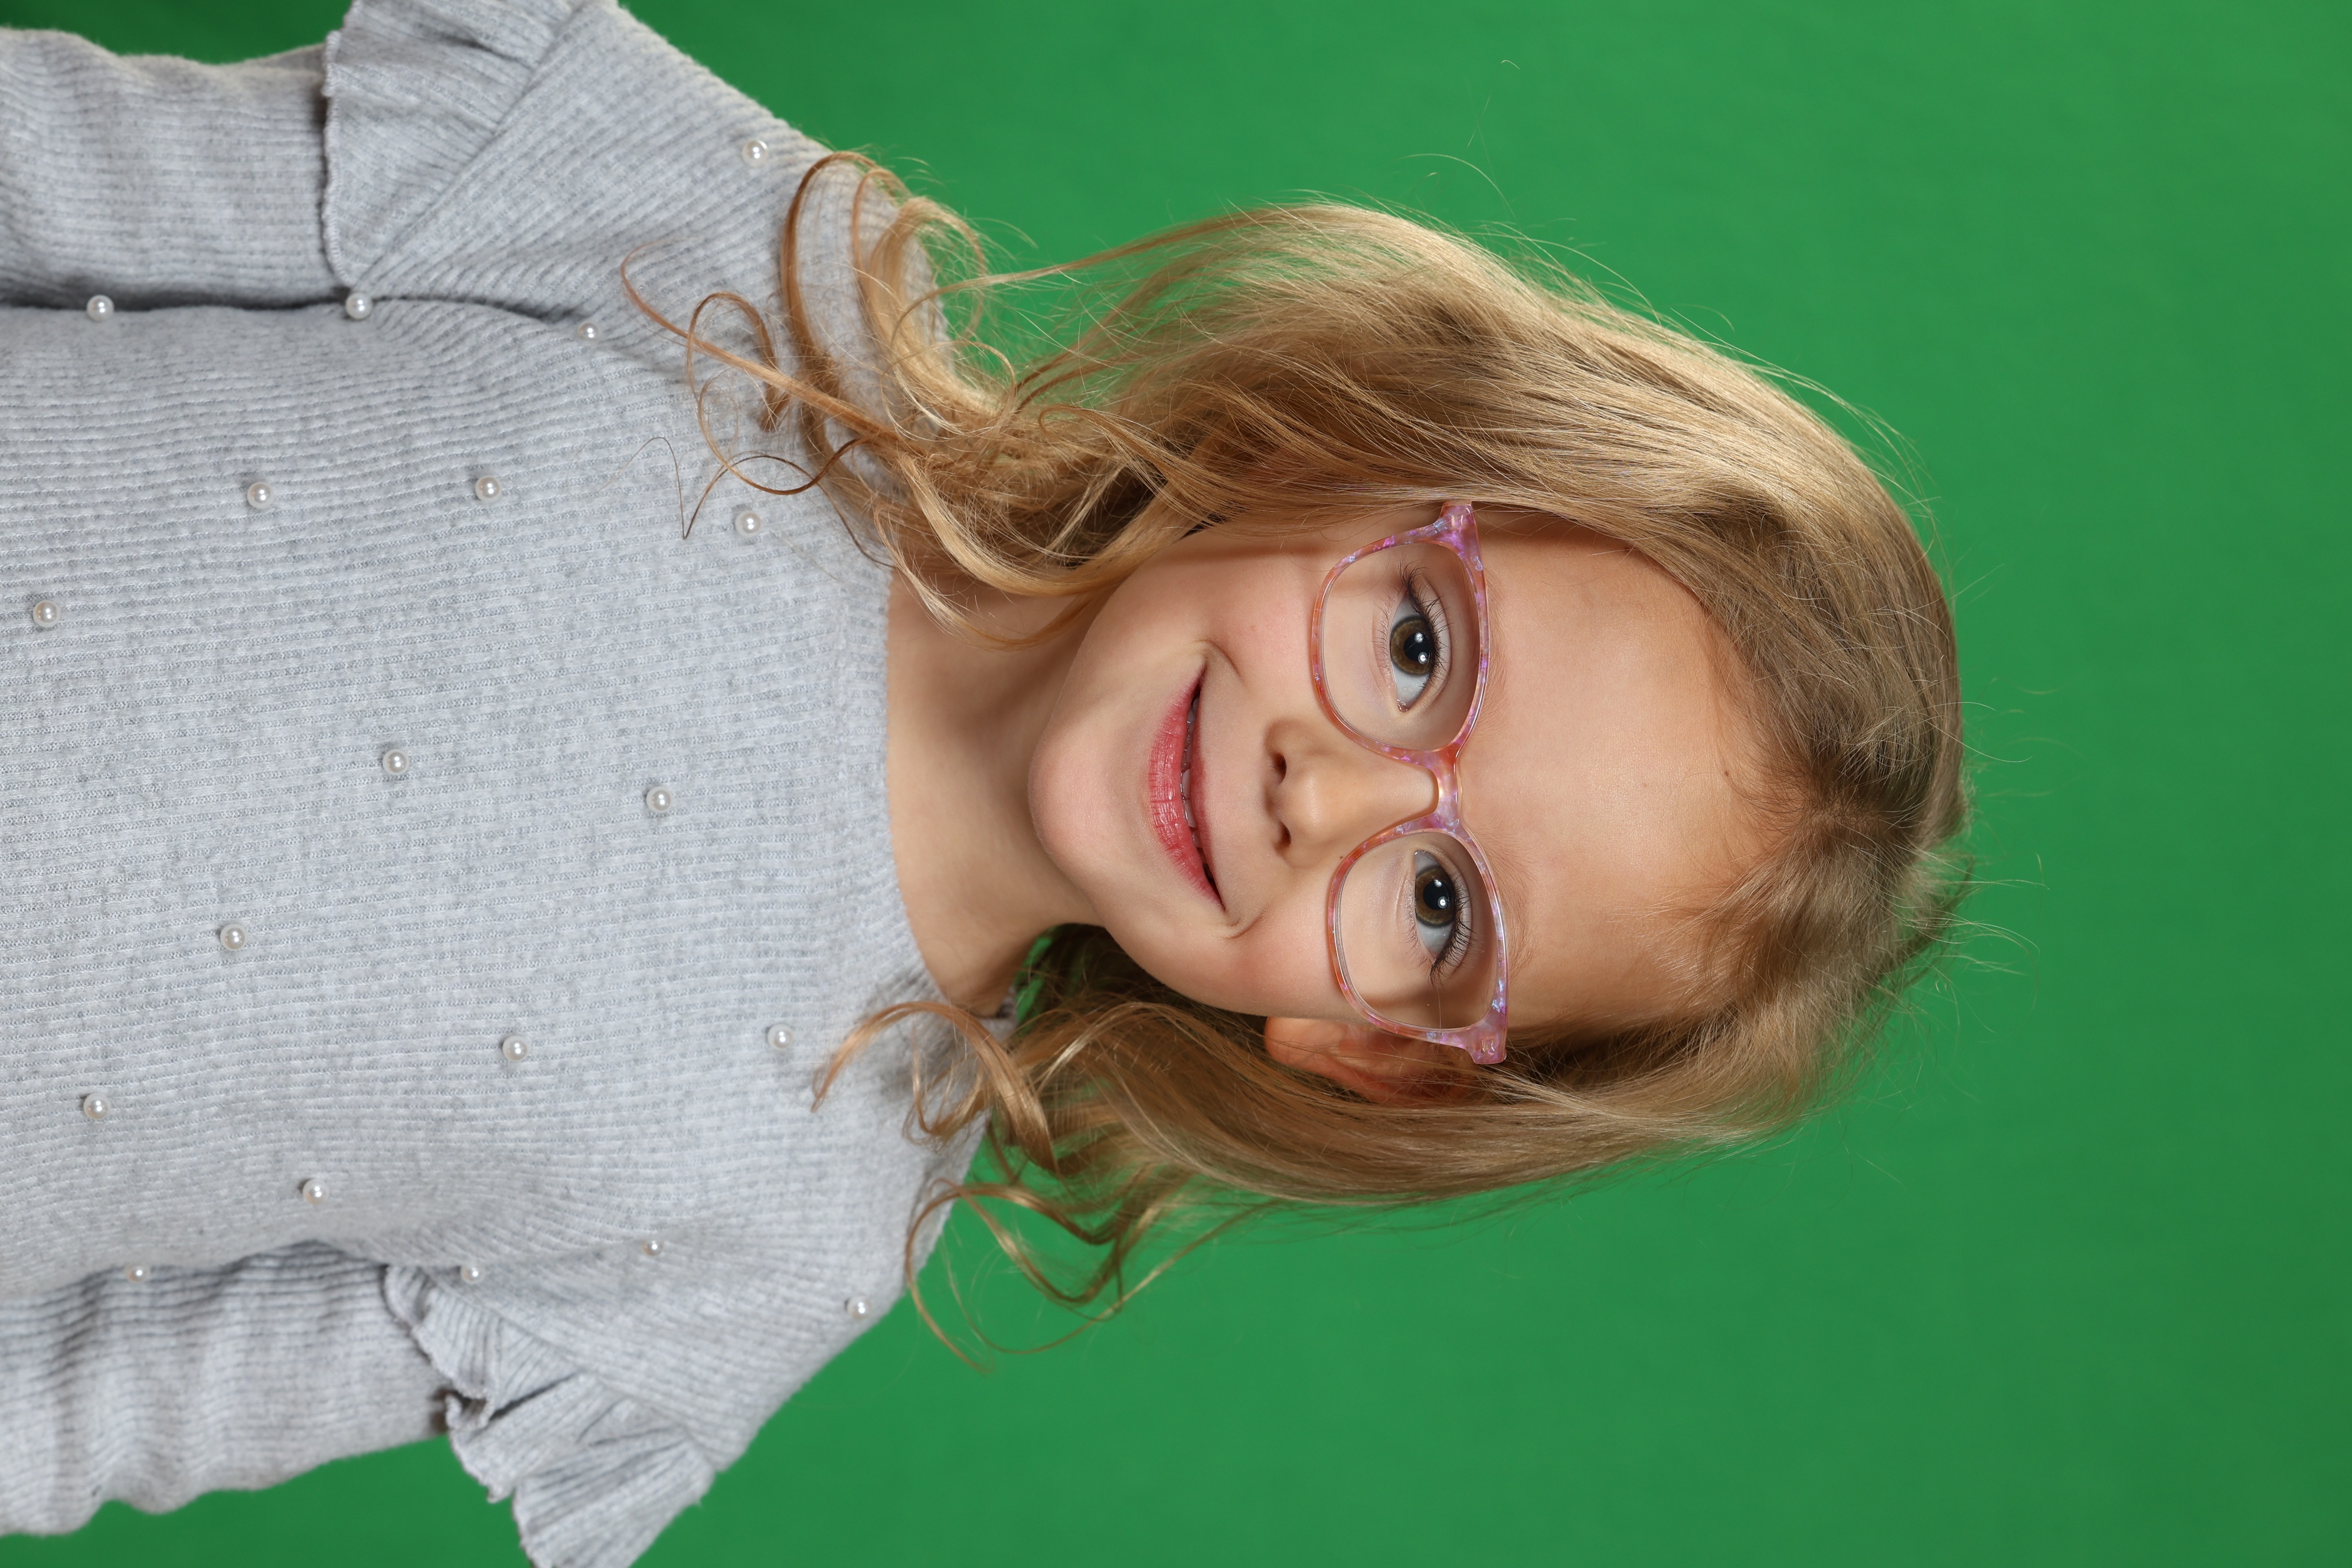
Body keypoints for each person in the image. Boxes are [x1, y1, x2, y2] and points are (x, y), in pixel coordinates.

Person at [0, 0, 1965, 1563]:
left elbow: (97, 1400)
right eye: (1417, 652)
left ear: (1377, 1049)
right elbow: (54, 166)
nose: (1325, 795)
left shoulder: (780, 1239)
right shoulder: (746, 274)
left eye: (1439, 904)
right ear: (1363, 445)